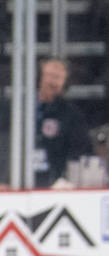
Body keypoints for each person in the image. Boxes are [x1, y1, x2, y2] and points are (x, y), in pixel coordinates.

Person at [32, 58, 92, 188]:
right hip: (20, 179)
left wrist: (65, 179)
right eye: (49, 76)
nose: (53, 82)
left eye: (58, 78)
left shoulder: (71, 113)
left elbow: (79, 149)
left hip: (54, 183)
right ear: (38, 78)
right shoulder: (21, 107)